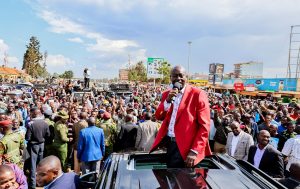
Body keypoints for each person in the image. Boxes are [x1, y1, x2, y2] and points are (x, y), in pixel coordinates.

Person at [150, 65, 211, 168]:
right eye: (175, 76)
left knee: (185, 181)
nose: (178, 78)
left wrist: (194, 150)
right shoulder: (166, 94)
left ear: (186, 77)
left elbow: (204, 127)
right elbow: (158, 117)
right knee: (170, 177)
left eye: (181, 75)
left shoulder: (197, 94)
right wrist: (168, 101)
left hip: (187, 147)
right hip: (169, 144)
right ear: (171, 78)